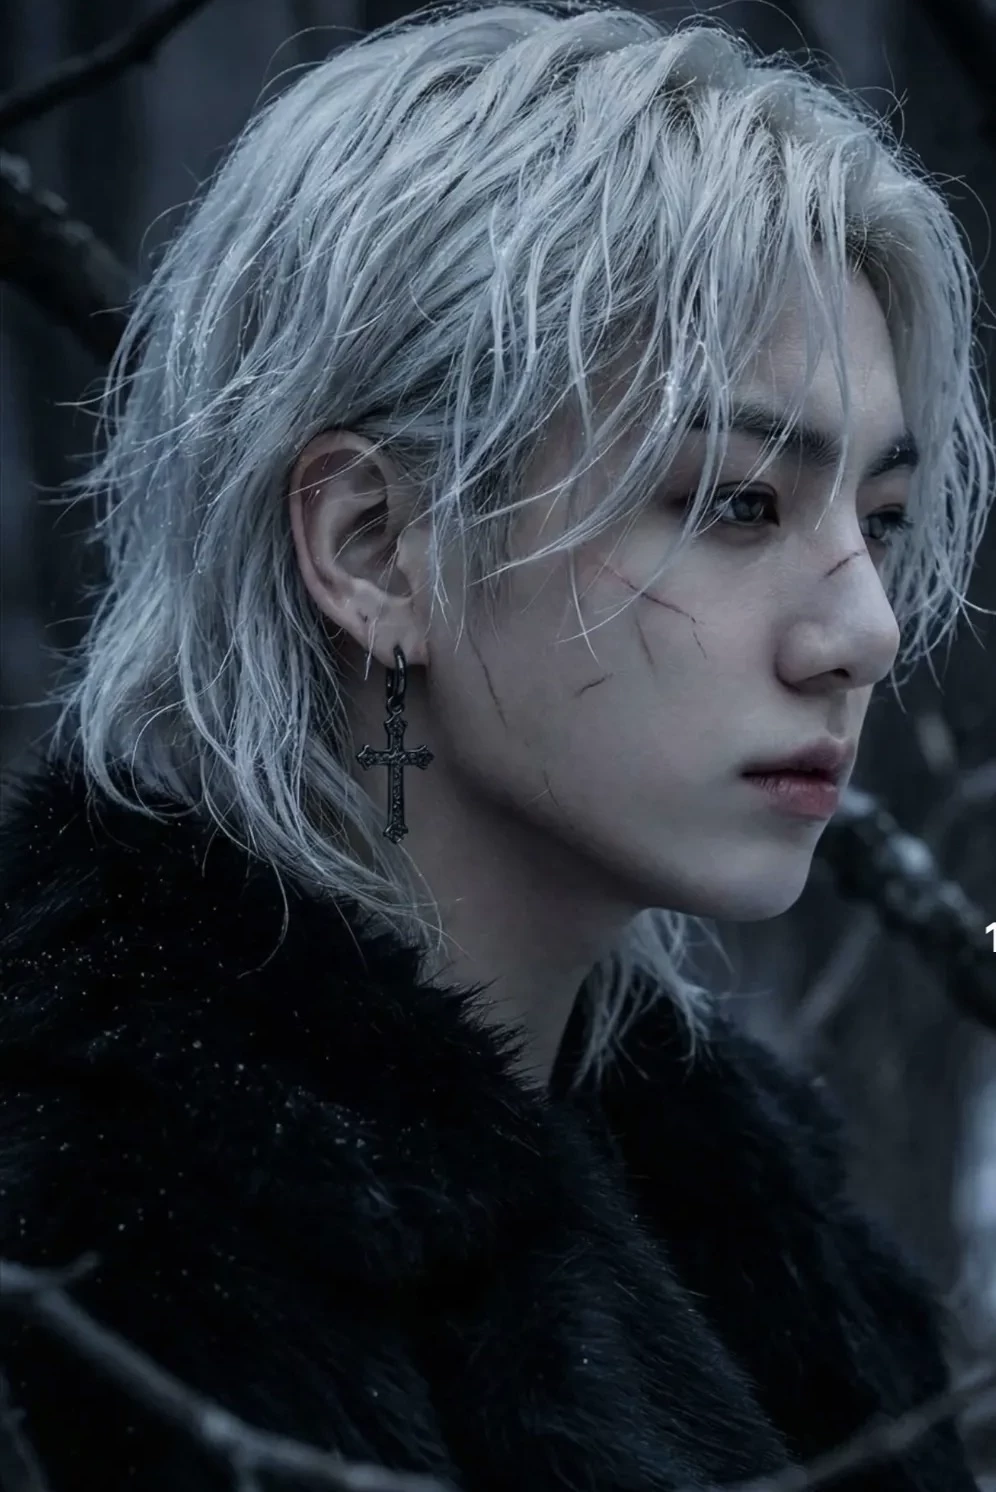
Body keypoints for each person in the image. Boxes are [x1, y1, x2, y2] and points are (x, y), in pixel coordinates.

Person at [1, 2, 993, 1487]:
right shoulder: (90, 1246)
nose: (865, 629)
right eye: (737, 503)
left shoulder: (756, 1238)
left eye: (884, 518)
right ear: (376, 548)